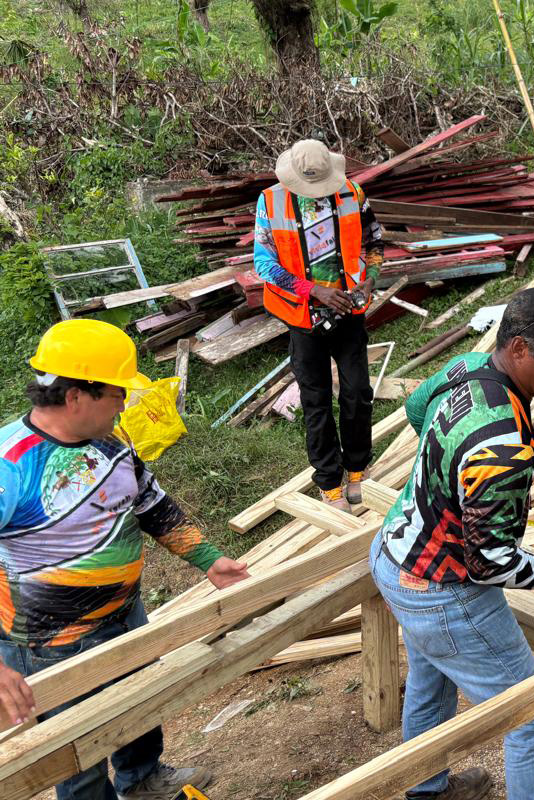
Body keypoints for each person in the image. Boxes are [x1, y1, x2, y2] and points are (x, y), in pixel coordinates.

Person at [370, 287, 534, 800]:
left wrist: (448, 475)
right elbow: (490, 565)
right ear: (519, 349)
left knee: (431, 679)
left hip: (393, 555)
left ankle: (427, 791)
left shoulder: (467, 366)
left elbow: (415, 406)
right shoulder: (500, 448)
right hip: (442, 592)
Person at [0, 319, 250, 800]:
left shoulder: (111, 440)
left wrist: (208, 559)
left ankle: (143, 779)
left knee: (138, 706)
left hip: (124, 614)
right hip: (51, 643)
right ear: (76, 395)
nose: (123, 403)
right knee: (78, 752)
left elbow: (150, 503)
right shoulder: (10, 465)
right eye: (117, 393)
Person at [255, 138, 385, 510]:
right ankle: (329, 482)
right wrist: (313, 290)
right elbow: (264, 264)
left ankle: (357, 468)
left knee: (357, 391)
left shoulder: (352, 193)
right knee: (316, 401)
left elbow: (375, 242)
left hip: (349, 311)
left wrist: (370, 278)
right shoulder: (271, 201)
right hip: (302, 316)